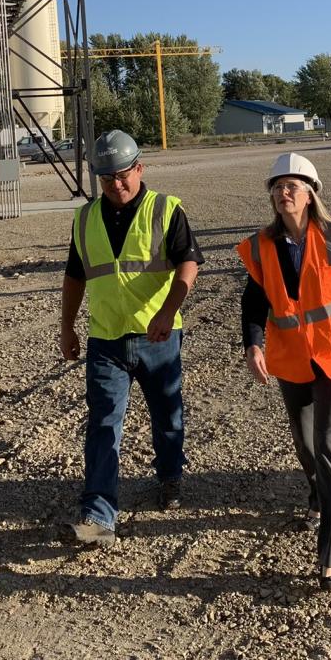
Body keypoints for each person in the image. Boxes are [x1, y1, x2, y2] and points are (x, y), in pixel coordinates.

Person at [238, 153, 331, 590]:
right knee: (304, 443)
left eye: (293, 185)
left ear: (310, 193)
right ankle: (317, 491)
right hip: (290, 358)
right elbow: (253, 302)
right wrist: (253, 343)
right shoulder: (262, 246)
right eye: (277, 186)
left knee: (328, 444)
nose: (283, 193)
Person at [60, 129, 204, 546]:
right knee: (103, 422)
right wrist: (67, 326)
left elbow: (188, 266)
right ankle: (98, 515)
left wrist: (167, 311)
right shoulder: (85, 218)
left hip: (157, 336)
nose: (116, 185)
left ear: (140, 169)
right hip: (105, 337)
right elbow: (75, 276)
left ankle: (170, 476)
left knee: (167, 415)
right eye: (107, 179)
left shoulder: (166, 209)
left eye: (123, 175)